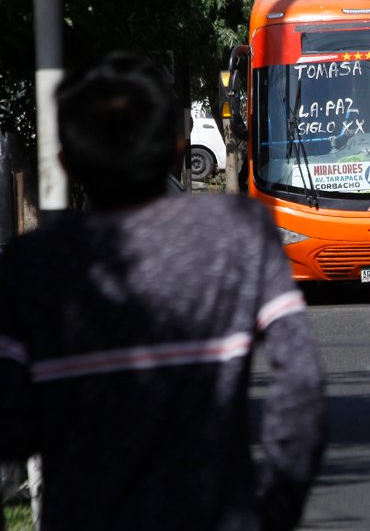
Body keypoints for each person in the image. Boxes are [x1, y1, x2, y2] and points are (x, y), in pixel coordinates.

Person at [0, 53, 326, 531]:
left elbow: (10, 423)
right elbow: (301, 384)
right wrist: (276, 510)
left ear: (65, 161)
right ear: (177, 147)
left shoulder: (31, 265)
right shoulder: (237, 233)